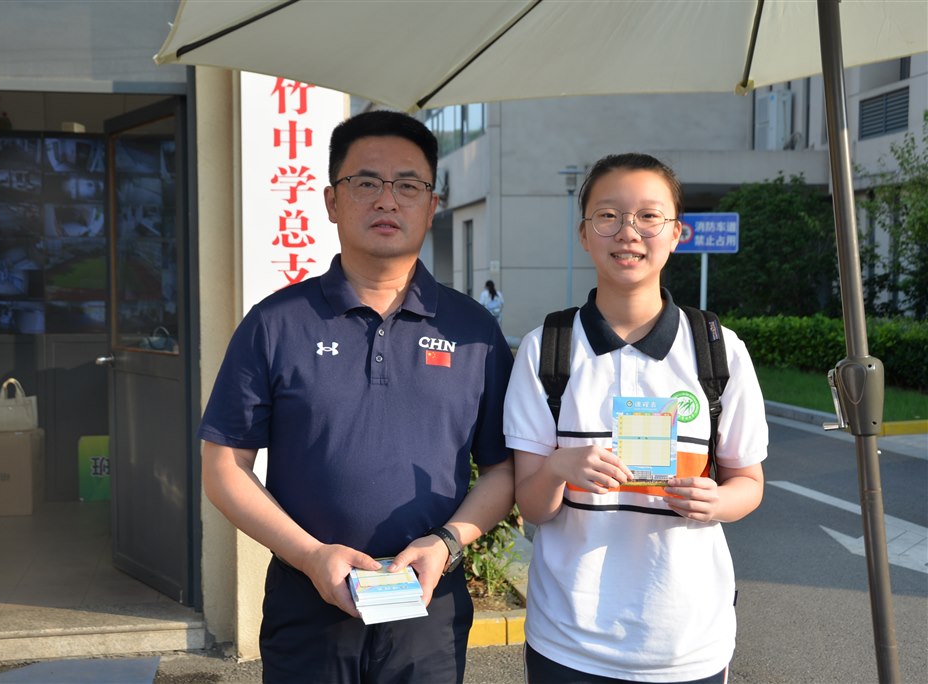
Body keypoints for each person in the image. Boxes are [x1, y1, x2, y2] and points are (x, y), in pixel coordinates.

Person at [198, 110, 515, 684]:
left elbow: (503, 469)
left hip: (429, 608)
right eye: (366, 182)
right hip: (306, 606)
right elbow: (224, 467)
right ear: (331, 201)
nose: (387, 200)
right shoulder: (275, 323)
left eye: (408, 186)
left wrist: (447, 543)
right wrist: (309, 555)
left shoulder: (474, 332)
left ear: (432, 205)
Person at [504, 153, 767, 683]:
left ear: (676, 233)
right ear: (584, 234)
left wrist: (719, 501)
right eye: (608, 215)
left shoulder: (719, 350)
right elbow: (532, 507)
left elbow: (749, 482)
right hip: (568, 641)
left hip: (687, 645)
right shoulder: (546, 349)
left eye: (649, 216)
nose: (628, 231)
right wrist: (558, 468)